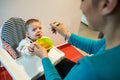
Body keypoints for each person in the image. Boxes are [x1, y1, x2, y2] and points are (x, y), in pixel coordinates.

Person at [33, 0, 120, 80]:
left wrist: (44, 57)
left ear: (107, 3)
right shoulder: (113, 42)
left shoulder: (91, 70)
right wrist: (65, 33)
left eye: (83, 0)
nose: (81, 7)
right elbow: (94, 47)